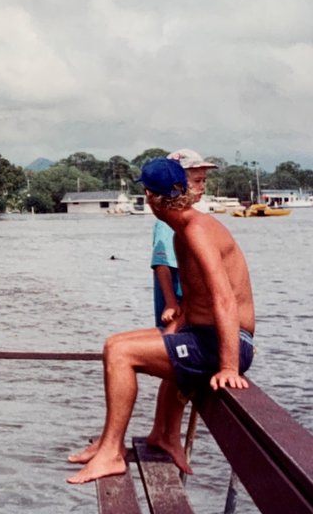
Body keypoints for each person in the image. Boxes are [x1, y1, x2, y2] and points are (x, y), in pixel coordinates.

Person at [67, 158, 255, 484]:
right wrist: (174, 329)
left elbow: (224, 299)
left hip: (228, 343)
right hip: (204, 334)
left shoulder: (196, 230)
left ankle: (112, 452)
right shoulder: (183, 229)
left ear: (152, 197)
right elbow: (195, 299)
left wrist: (228, 366)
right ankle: (155, 437)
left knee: (120, 352)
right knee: (118, 343)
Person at [151, 149, 218, 327]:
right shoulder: (168, 222)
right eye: (196, 181)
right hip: (178, 307)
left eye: (204, 180)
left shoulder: (194, 218)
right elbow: (162, 264)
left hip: (195, 306)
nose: (202, 186)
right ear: (177, 185)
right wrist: (171, 303)